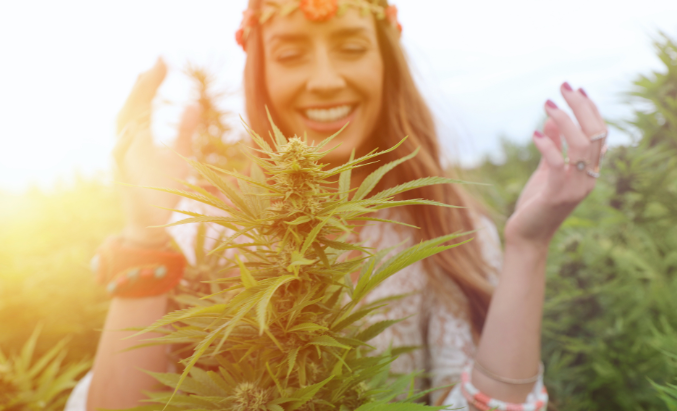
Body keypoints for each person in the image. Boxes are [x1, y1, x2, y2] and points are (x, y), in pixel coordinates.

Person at [66, 0, 608, 409]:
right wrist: (145, 237)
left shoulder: (442, 225)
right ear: (261, 72)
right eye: (291, 53)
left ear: (387, 63)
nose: (325, 80)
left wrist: (528, 248)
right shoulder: (212, 221)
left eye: (351, 46)